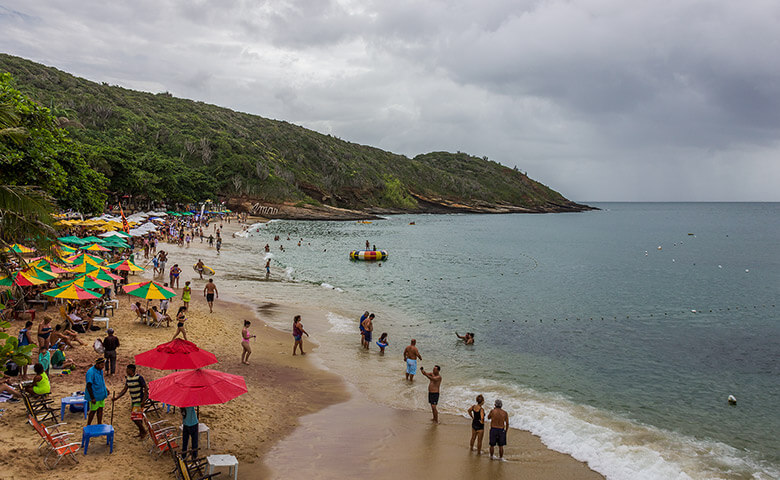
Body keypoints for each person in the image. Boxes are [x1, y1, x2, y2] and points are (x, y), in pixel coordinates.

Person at [113, 364, 148, 438]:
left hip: (139, 400)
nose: (126, 371)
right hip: (134, 400)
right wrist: (117, 397)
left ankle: (144, 431)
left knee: (135, 418)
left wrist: (143, 401)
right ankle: (141, 432)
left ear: (131, 370)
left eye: (127, 370)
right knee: (138, 418)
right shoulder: (128, 379)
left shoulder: (139, 378)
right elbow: (125, 389)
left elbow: (146, 389)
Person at [85, 357, 109, 425]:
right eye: (102, 365)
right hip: (95, 395)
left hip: (101, 395)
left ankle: (99, 423)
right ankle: (88, 425)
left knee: (100, 409)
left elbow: (101, 381)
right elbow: (89, 385)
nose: (103, 367)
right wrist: (92, 398)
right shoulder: (90, 372)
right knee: (93, 411)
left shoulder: (100, 370)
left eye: (103, 365)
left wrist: (105, 389)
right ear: (97, 364)